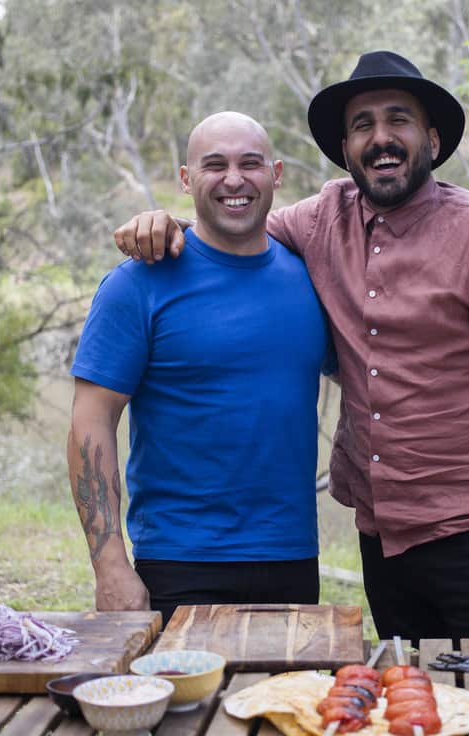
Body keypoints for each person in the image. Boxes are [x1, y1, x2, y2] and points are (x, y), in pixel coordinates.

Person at [113, 52, 469, 639]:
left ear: (432, 140)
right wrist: (164, 226)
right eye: (363, 125)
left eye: (398, 121)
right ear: (346, 146)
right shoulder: (320, 220)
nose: (381, 138)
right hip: (383, 542)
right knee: (409, 707)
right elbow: (234, 226)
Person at [67, 111, 334, 625]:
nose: (234, 179)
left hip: (292, 558)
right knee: (184, 707)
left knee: (285, 705)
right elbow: (90, 421)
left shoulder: (310, 278)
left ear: (276, 174)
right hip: (178, 563)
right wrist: (109, 564)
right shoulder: (137, 284)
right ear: (187, 180)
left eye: (249, 163)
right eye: (215, 165)